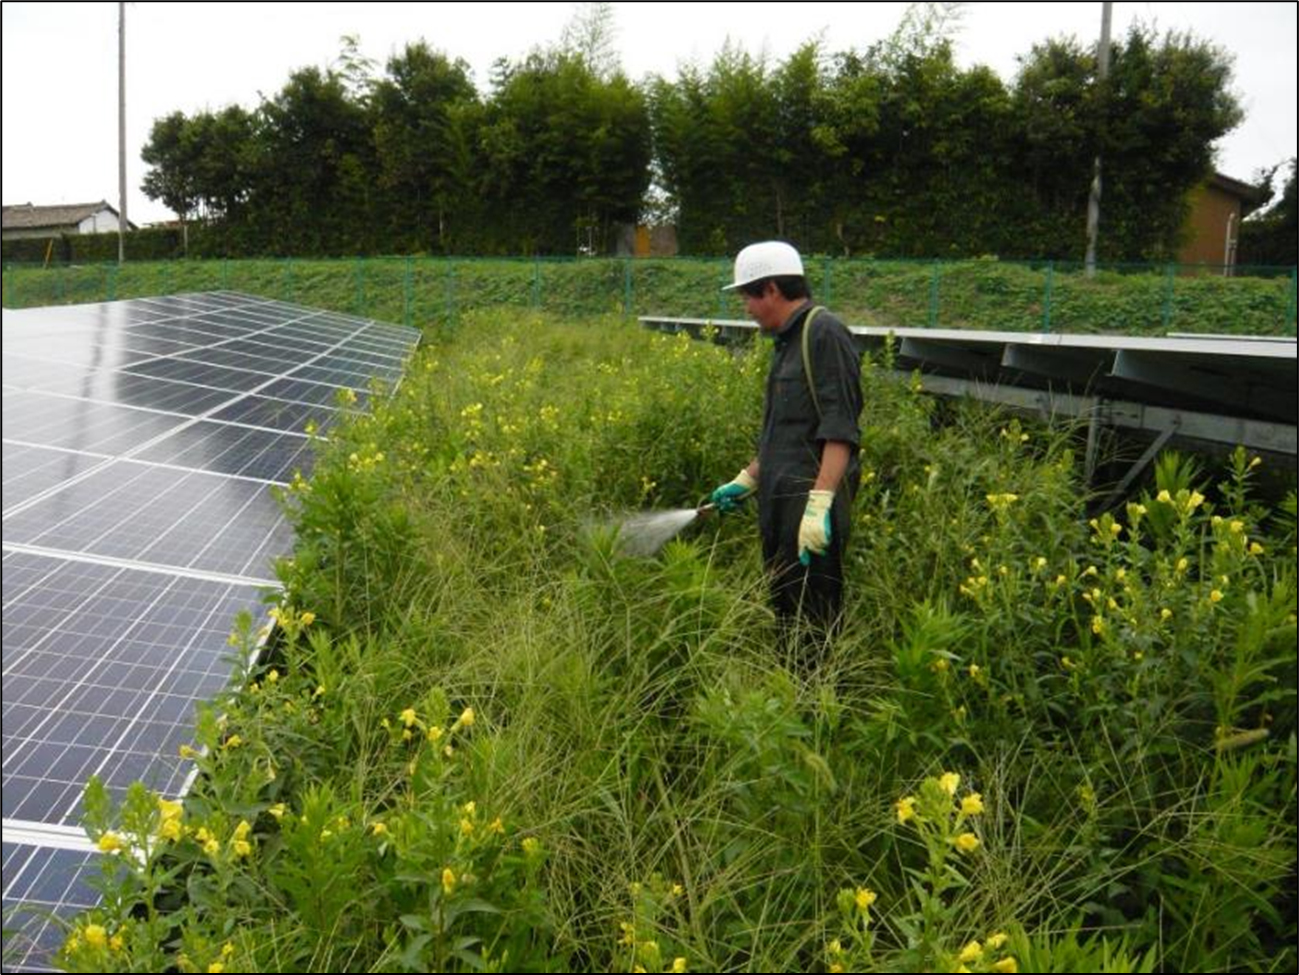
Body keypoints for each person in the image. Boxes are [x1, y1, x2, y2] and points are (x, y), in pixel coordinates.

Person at [709, 241, 863, 659]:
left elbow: (840, 431)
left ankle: (820, 709)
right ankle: (796, 694)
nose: (745, 307)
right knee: (786, 613)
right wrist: (747, 480)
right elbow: (787, 434)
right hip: (778, 507)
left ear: (772, 289)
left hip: (809, 509)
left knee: (814, 622)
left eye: (747, 296)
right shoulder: (785, 344)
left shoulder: (824, 333)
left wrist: (818, 506)